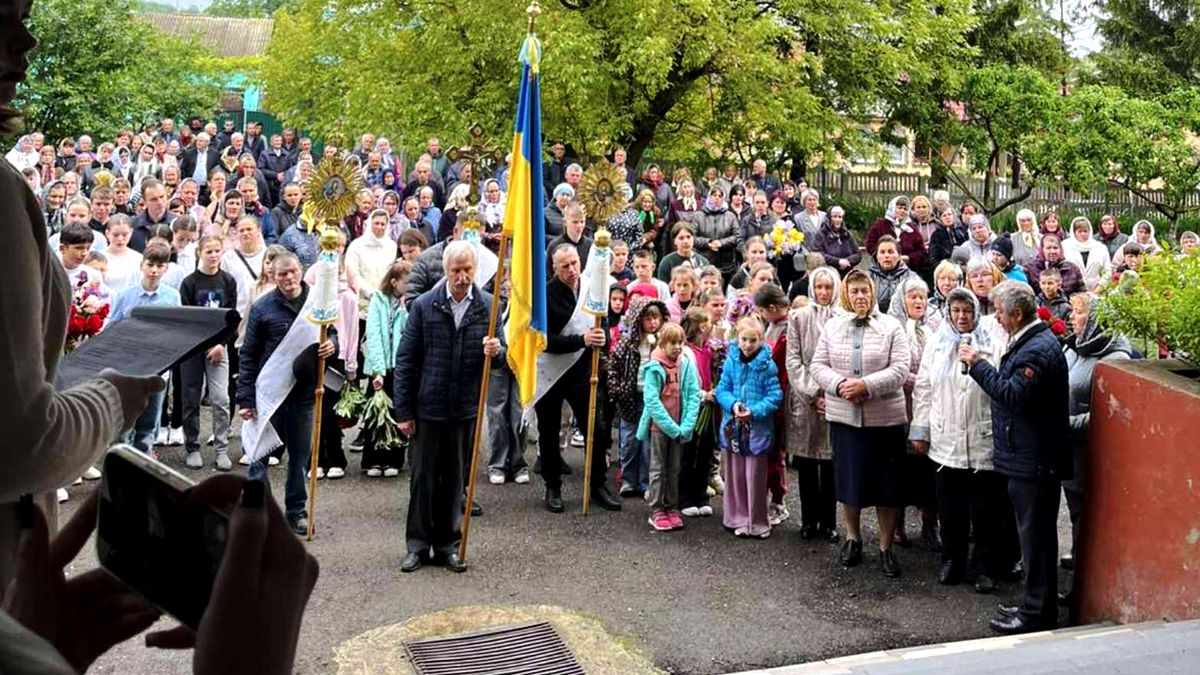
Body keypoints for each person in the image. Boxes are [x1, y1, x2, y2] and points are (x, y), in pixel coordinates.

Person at [960, 281, 1070, 634]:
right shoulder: (1031, 341)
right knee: (1034, 536)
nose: (998, 319)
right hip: (1028, 456)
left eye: (1001, 313)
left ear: (1017, 314)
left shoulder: (1037, 350)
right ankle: (1035, 605)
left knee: (1035, 539)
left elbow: (1012, 396)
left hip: (1034, 460)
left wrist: (978, 366)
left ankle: (1036, 613)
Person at [394, 241, 501, 572]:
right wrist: (404, 412)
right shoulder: (425, 306)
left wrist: (496, 351)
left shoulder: (488, 306)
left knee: (456, 481)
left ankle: (447, 545)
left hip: (464, 408)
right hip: (429, 407)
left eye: (468, 270)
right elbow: (406, 360)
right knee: (423, 479)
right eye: (456, 271)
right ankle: (417, 545)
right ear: (445, 271)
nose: (462, 277)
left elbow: (498, 363)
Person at [810, 269, 911, 578]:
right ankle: (853, 539)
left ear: (873, 292)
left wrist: (866, 385)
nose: (860, 296)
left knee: (887, 487)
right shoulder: (833, 326)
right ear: (846, 294)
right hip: (846, 419)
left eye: (865, 290)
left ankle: (885, 547)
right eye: (854, 291)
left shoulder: (892, 326)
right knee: (850, 483)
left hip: (885, 421)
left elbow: (901, 369)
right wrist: (841, 385)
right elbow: (817, 365)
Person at [910, 287, 1009, 592]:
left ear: (975, 313)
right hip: (947, 437)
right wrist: (920, 429)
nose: (962, 317)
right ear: (949, 314)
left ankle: (983, 566)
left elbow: (1000, 386)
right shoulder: (937, 345)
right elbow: (924, 389)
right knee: (950, 507)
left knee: (984, 510)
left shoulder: (993, 343)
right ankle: (952, 560)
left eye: (967, 311)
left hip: (982, 437)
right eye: (956, 311)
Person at [238, 252, 338, 536]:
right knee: (258, 455)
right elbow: (248, 354)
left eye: (293, 272)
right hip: (269, 392)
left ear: (301, 271)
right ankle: (258, 511)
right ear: (273, 275)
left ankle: (297, 512)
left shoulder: (318, 303)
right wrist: (245, 399)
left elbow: (331, 334)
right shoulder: (261, 308)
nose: (289, 278)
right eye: (282, 274)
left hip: (304, 392)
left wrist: (332, 345)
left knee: (299, 458)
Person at [1061, 294, 1132, 601]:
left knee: (1085, 517)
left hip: (1089, 453)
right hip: (1067, 449)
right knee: (1076, 512)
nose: (1071, 318)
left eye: (1078, 313)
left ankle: (1081, 587)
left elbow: (1107, 414)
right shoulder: (1075, 347)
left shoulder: (1116, 358)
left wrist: (1065, 424)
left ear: (1094, 321)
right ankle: (1077, 561)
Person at [107, 241, 182, 457]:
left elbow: (177, 331)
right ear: (142, 265)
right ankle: (119, 463)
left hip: (158, 367)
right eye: (150, 265)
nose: (154, 271)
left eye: (160, 266)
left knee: (149, 421)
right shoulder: (126, 295)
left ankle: (143, 464)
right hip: (129, 367)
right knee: (125, 420)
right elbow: (111, 328)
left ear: (166, 268)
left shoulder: (172, 296)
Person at [785, 266, 841, 541]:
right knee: (806, 462)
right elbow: (793, 360)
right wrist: (812, 393)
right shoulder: (798, 317)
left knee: (830, 464)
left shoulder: (843, 318)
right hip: (804, 398)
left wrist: (829, 393)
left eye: (827, 287)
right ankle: (808, 520)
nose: (822, 292)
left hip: (834, 398)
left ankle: (830, 521)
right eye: (818, 287)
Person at [716, 316, 783, 538]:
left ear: (761, 340)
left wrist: (753, 411)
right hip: (733, 425)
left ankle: (757, 521)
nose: (747, 345)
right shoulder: (730, 360)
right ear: (738, 337)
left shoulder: (768, 365)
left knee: (755, 475)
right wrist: (733, 405)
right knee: (734, 473)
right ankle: (736, 517)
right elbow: (722, 389)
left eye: (753, 340)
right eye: (744, 339)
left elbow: (775, 396)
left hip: (757, 428)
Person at [179, 235, 238, 471]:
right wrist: (203, 345)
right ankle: (192, 446)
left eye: (217, 251)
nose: (214, 256)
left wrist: (220, 344)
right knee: (190, 398)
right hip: (192, 348)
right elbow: (187, 318)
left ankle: (221, 447)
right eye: (209, 251)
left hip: (218, 348)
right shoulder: (189, 283)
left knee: (221, 398)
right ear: (199, 253)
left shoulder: (228, 280)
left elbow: (231, 317)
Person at [638, 322, 702, 532]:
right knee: (658, 469)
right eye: (672, 343)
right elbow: (652, 401)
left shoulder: (686, 365)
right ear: (663, 343)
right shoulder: (654, 367)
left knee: (674, 468)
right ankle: (656, 508)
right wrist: (673, 428)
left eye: (680, 342)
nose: (677, 347)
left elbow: (693, 394)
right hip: (660, 428)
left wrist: (686, 425)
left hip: (679, 426)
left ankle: (671, 506)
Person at [610, 294, 668, 497]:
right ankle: (628, 479)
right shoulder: (626, 342)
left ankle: (646, 482)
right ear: (638, 320)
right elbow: (613, 366)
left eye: (656, 318)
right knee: (629, 441)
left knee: (648, 443)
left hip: (652, 399)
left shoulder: (662, 343)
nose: (653, 323)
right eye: (648, 318)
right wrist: (617, 389)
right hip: (630, 397)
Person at [363, 260, 411, 478]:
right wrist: (379, 371)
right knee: (376, 414)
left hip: (399, 368)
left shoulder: (408, 304)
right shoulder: (377, 300)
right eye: (406, 283)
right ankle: (373, 460)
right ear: (394, 282)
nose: (409, 287)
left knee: (396, 413)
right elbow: (373, 335)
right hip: (379, 368)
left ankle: (394, 458)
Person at [345, 209, 398, 314]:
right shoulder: (356, 245)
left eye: (383, 224)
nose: (379, 227)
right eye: (376, 223)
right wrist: (370, 292)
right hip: (361, 301)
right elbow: (352, 273)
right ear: (370, 224)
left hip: (385, 300)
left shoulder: (392, 246)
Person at [693, 186, 741, 282]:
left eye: (720, 196)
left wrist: (721, 243)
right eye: (714, 195)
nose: (717, 198)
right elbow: (693, 237)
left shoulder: (730, 216)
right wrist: (708, 243)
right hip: (704, 263)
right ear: (709, 197)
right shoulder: (698, 216)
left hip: (726, 265)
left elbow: (737, 236)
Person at [868, 235, 919, 315]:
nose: (886, 256)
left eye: (890, 252)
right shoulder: (867, 278)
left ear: (899, 256)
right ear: (877, 257)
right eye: (882, 252)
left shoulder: (912, 278)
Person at [1061, 217, 1111, 292]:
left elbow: (1107, 271)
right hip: (1073, 292)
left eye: (1085, 231)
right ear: (1074, 232)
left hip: (1097, 291)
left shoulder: (1100, 247)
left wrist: (1096, 291)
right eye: (1079, 231)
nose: (1083, 234)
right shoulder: (1065, 246)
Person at [810, 206, 861, 276]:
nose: (837, 219)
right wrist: (838, 261)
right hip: (827, 273)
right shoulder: (821, 234)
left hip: (847, 272)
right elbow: (818, 254)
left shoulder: (847, 234)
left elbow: (858, 254)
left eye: (840, 217)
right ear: (829, 218)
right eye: (834, 216)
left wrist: (847, 261)